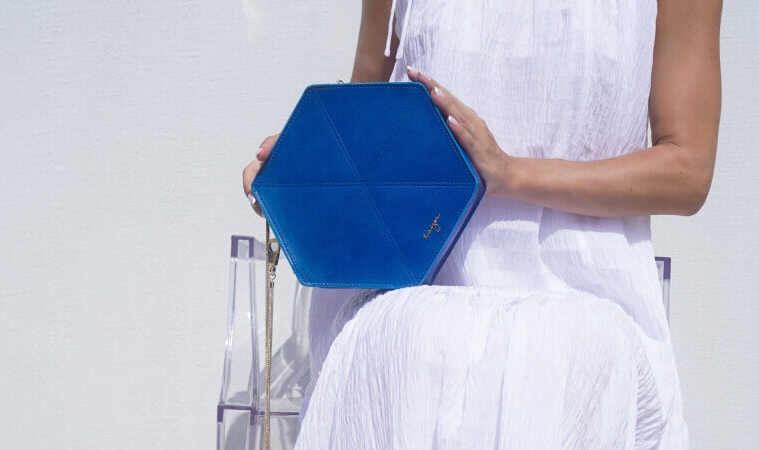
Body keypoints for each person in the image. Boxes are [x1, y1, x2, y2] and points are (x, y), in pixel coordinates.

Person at [241, 0, 721, 447]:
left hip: (581, 348)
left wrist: (511, 174)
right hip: (409, 343)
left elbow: (688, 171)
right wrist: (304, 178)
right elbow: (364, 129)